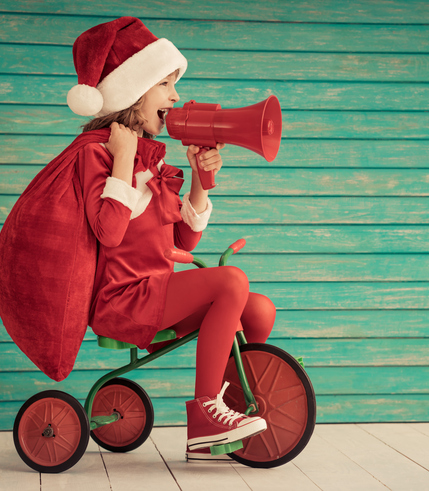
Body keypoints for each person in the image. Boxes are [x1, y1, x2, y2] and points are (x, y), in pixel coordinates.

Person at [66, 17, 275, 460]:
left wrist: (201, 178)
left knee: (259, 309)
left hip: (156, 292)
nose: (176, 96)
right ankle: (204, 414)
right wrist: (122, 160)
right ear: (134, 92)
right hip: (124, 300)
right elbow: (109, 230)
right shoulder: (95, 154)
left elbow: (185, 239)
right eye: (166, 84)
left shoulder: (154, 158)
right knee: (232, 281)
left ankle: (232, 408)